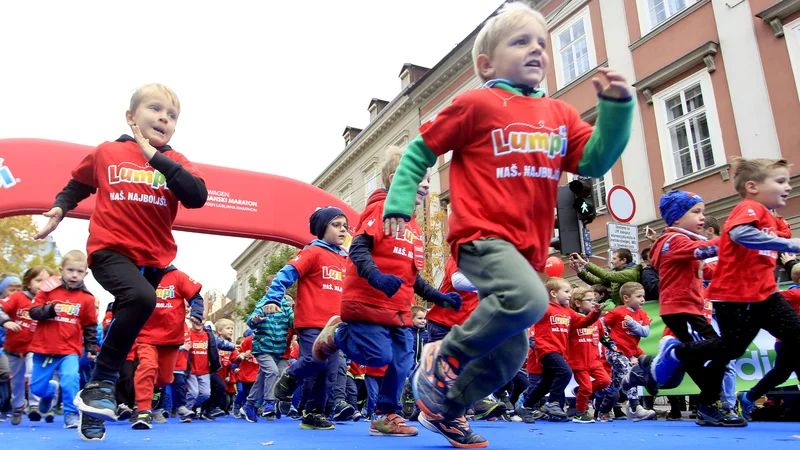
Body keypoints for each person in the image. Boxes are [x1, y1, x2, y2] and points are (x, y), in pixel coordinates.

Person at [381, 1, 633, 445]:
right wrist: (400, 201)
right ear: (486, 63)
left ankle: (446, 409)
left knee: (511, 351)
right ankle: (443, 356)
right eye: (521, 42)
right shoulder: (476, 104)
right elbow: (422, 148)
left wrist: (616, 110)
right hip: (480, 235)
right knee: (529, 300)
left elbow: (594, 160)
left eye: (542, 42)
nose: (536, 49)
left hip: (527, 249)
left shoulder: (560, 115)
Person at [34, 83, 207, 441]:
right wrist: (60, 207)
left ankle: (94, 401)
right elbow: (79, 183)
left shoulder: (175, 161)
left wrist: (155, 158)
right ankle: (102, 384)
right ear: (131, 117)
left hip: (154, 261)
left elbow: (197, 196)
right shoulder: (107, 152)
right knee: (143, 299)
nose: (164, 118)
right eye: (155, 110)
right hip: (110, 251)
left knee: (137, 318)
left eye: (172, 115)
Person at [311, 146, 462, 438]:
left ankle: (384, 415)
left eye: (429, 179)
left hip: (398, 309)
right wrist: (377, 277)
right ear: (397, 179)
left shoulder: (414, 226)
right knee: (379, 357)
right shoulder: (380, 208)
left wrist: (437, 297)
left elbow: (412, 275)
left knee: (403, 361)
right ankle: (338, 334)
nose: (427, 185)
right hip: (367, 303)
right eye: (421, 178)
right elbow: (357, 248)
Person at [653, 157, 800, 428]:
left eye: (788, 181)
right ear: (753, 187)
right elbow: (737, 236)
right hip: (729, 296)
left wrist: (785, 243)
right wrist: (790, 244)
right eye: (780, 181)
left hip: (763, 293)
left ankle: (717, 401)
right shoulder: (748, 209)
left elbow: (775, 248)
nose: (788, 187)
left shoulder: (769, 216)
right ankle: (679, 357)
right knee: (726, 350)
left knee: (740, 349)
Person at [266, 207, 348, 430]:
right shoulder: (312, 252)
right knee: (315, 360)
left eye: (345, 226)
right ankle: (291, 374)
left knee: (330, 372)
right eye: (337, 225)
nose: (343, 230)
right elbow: (285, 275)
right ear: (322, 227)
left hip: (337, 327)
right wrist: (272, 299)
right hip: (312, 322)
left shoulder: (346, 259)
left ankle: (313, 413)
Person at [28, 250, 98, 429]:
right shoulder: (48, 290)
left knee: (70, 379)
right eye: (70, 270)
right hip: (44, 348)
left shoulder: (87, 299)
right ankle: (50, 391)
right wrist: (50, 310)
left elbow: (90, 325)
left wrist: (91, 348)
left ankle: (71, 414)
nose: (74, 275)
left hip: (69, 349)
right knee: (36, 388)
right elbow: (33, 312)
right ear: (61, 270)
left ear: (86, 273)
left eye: (79, 271)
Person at [129, 265, 204, 429]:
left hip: (171, 337)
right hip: (146, 335)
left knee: (164, 378)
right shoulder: (140, 274)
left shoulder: (178, 276)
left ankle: (155, 389)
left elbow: (196, 297)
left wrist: (197, 314)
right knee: (147, 367)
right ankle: (143, 410)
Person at [522, 278, 602, 421]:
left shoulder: (568, 312)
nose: (570, 295)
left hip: (559, 351)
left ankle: (525, 406)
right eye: (566, 291)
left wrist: (594, 313)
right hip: (546, 350)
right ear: (553, 293)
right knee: (565, 372)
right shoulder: (544, 308)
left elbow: (583, 322)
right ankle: (552, 402)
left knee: (545, 383)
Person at [0, 266, 56, 424]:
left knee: (33, 372)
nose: (42, 284)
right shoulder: (18, 297)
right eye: (38, 280)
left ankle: (34, 405)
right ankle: (17, 406)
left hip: (34, 348)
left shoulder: (50, 301)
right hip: (13, 349)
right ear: (28, 283)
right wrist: (6, 321)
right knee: (17, 382)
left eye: (46, 281)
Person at [599, 282, 655, 422]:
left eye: (643, 296)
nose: (642, 299)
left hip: (629, 353)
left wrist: (632, 323)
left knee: (616, 386)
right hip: (615, 352)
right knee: (630, 373)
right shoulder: (618, 312)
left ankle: (600, 404)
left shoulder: (643, 314)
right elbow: (601, 323)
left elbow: (645, 332)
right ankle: (636, 408)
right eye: (638, 296)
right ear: (626, 298)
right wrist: (606, 340)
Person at [568, 287, 610, 424]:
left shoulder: (597, 320)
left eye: (595, 300)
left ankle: (579, 391)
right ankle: (580, 413)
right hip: (579, 361)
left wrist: (612, 344)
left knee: (605, 381)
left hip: (594, 360)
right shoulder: (573, 319)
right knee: (586, 387)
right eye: (590, 300)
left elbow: (603, 337)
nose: (593, 303)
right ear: (578, 303)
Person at [573, 249, 642, 308]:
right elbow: (595, 281)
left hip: (631, 310)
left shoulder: (630, 273)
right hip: (622, 309)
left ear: (623, 260)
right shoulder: (618, 274)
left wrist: (584, 262)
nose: (611, 261)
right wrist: (579, 270)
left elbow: (606, 275)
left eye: (614, 259)